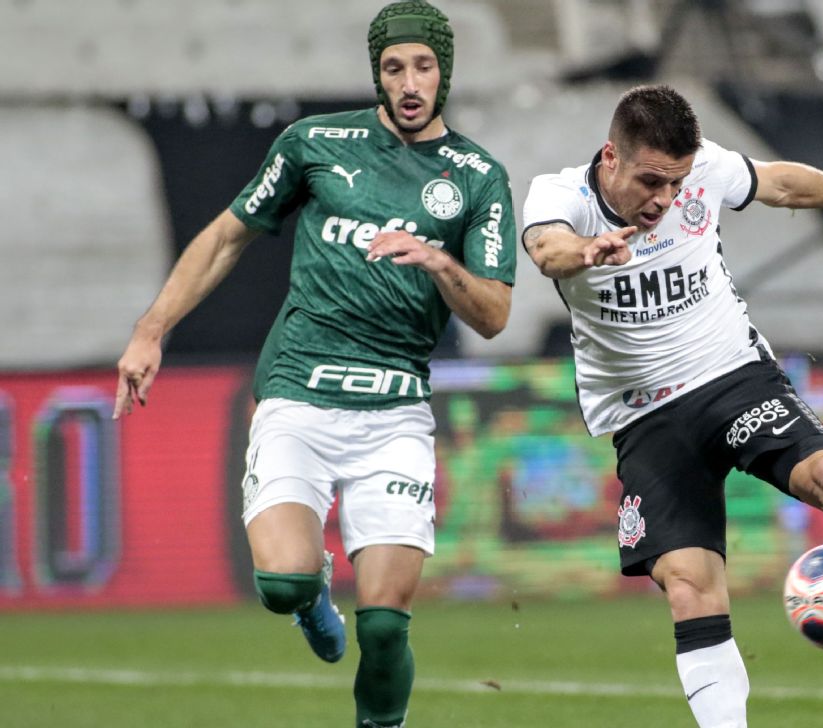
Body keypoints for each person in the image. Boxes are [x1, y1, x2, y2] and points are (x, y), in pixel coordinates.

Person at [521, 84, 823, 727]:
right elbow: (546, 248)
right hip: (645, 416)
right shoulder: (560, 196)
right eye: (651, 181)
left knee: (820, 475)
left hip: (731, 373)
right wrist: (586, 250)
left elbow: (779, 184)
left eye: (675, 185)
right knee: (688, 585)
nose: (663, 200)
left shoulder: (703, 168)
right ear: (610, 157)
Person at [112, 3, 515, 726]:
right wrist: (152, 329)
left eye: (424, 65)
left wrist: (436, 259)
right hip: (299, 390)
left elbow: (492, 315)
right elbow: (227, 237)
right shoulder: (315, 143)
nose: (410, 81)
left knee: (387, 624)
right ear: (377, 73)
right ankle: (310, 596)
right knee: (280, 581)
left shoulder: (478, 176)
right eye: (395, 67)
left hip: (393, 409)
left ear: (445, 70)